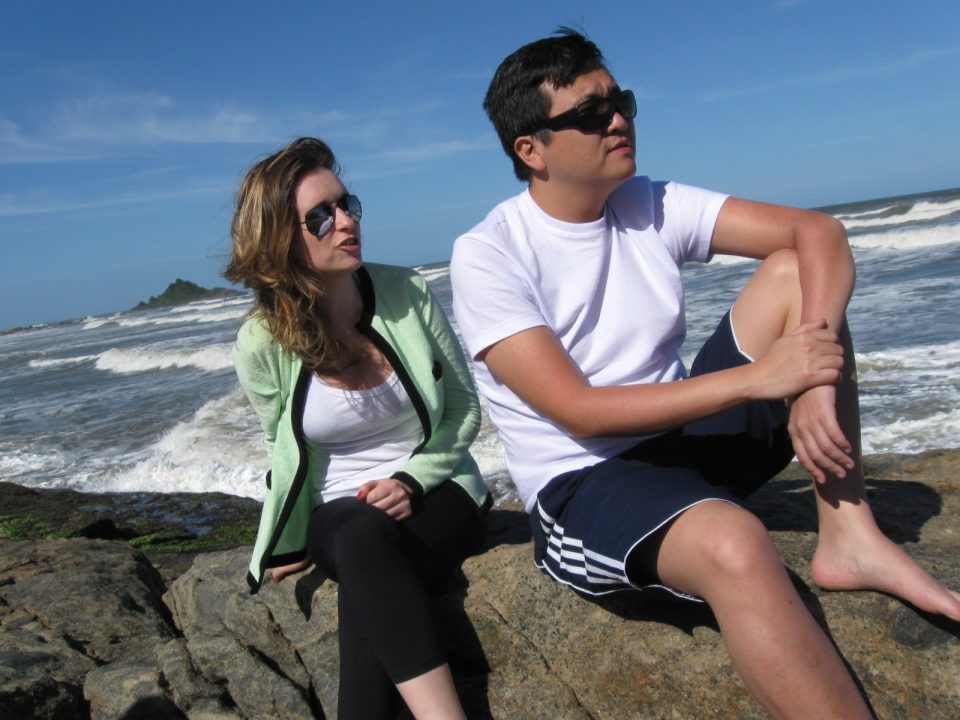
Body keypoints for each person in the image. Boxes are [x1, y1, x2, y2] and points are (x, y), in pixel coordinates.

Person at [450, 29, 960, 719]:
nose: (619, 121)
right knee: (735, 540)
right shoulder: (490, 254)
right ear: (530, 150)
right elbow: (578, 410)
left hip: (686, 443)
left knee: (794, 274)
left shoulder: (648, 203)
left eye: (622, 102)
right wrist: (761, 379)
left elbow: (820, 235)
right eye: (592, 113)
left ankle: (850, 533)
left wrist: (812, 381)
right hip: (586, 482)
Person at [226, 137, 491, 720]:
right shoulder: (260, 342)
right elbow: (282, 447)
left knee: (366, 574)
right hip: (341, 515)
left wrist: (412, 479)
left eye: (347, 205)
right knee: (357, 535)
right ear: (278, 238)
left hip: (439, 493)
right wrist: (282, 538)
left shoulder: (405, 292)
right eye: (320, 216)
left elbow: (463, 410)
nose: (346, 221)